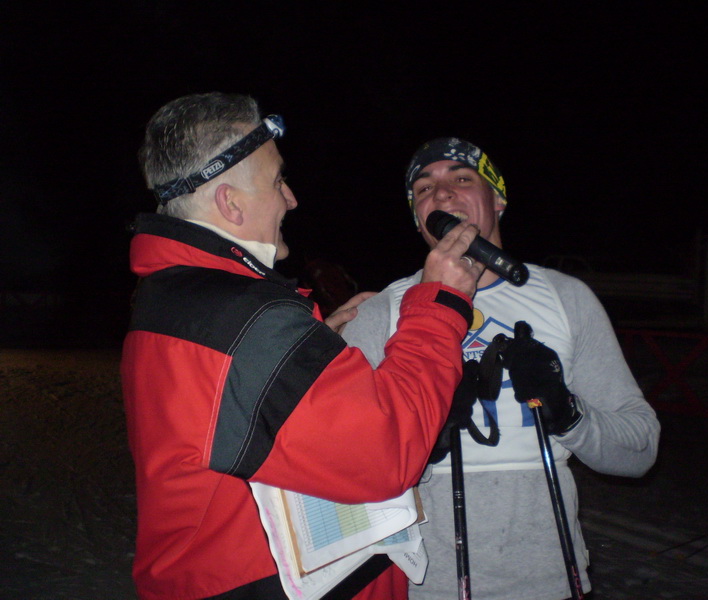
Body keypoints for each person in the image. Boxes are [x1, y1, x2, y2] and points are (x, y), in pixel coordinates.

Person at [121, 95, 485, 600]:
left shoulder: (172, 295)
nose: (291, 199)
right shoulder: (245, 320)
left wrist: (312, 354)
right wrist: (440, 304)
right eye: (277, 182)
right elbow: (386, 455)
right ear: (230, 202)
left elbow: (229, 408)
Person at [342, 137, 661, 600]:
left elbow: (641, 451)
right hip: (424, 587)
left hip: (548, 581)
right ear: (417, 218)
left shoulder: (566, 297)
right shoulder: (381, 312)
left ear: (499, 199)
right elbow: (333, 456)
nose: (442, 193)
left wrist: (567, 413)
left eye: (462, 179)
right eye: (424, 188)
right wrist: (420, 445)